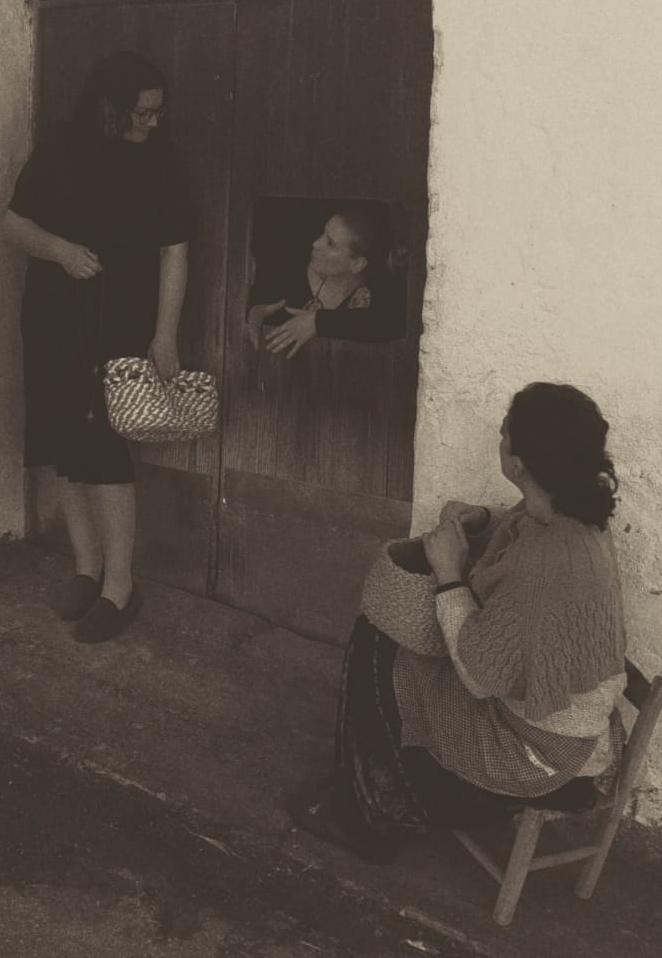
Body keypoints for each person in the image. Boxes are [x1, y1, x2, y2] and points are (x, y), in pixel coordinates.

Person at [288, 382, 628, 863]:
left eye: (505, 433)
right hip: (564, 719)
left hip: (535, 748)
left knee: (380, 646)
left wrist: (448, 572)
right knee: (393, 647)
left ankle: (372, 813)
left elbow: (478, 674)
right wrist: (482, 518)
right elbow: (520, 527)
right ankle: (365, 783)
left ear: (519, 463)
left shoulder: (545, 563)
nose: (501, 440)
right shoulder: (574, 514)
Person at [4, 51, 193, 644]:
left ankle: (120, 585)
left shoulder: (163, 164)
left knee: (106, 454)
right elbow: (14, 224)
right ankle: (85, 570)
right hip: (56, 317)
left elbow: (175, 252)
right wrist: (60, 250)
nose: (152, 123)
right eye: (143, 112)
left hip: (123, 325)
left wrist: (165, 333)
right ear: (108, 109)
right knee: (65, 444)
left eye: (159, 113)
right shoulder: (59, 150)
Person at [246, 208, 401, 358]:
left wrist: (317, 322)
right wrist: (255, 312)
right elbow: (258, 304)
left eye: (330, 244)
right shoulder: (290, 274)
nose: (315, 243)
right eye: (323, 233)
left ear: (357, 265)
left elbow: (389, 324)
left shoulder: (373, 296)